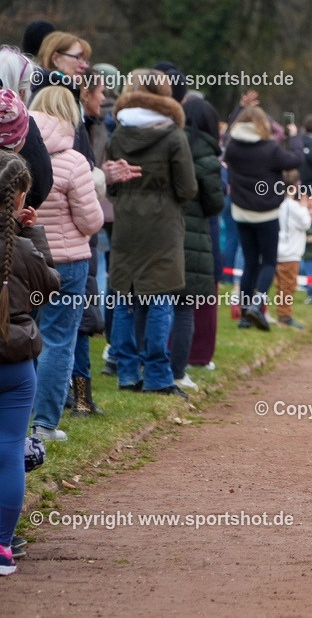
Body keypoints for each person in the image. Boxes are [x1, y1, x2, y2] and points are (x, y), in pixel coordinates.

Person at [106, 69, 197, 397]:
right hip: (162, 225)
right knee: (160, 298)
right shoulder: (173, 135)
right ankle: (158, 374)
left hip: (127, 224)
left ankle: (127, 371)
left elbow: (111, 186)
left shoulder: (118, 133)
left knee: (125, 298)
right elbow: (187, 188)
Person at [28, 87, 104, 440]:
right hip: (68, 262)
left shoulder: (16, 152)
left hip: (25, 258)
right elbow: (91, 221)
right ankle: (45, 423)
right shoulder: (73, 161)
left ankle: (19, 416)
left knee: (23, 336)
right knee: (58, 341)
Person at [0, 151, 61, 576]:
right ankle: (3, 547)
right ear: (20, 199)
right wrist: (34, 233)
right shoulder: (22, 248)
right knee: (8, 451)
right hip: (15, 364)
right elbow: (50, 285)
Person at [223, 106, 303, 330]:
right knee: (268, 261)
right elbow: (295, 160)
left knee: (250, 262)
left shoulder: (232, 148)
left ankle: (243, 316)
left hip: (241, 212)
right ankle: (257, 304)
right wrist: (294, 138)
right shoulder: (270, 149)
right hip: (267, 213)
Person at [169, 97, 225, 391]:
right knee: (186, 305)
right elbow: (215, 204)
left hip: (165, 231)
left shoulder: (168, 146)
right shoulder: (208, 159)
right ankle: (181, 367)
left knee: (158, 303)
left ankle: (152, 362)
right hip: (197, 236)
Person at [274, 171, 311, 329]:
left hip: (276, 250)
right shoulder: (294, 206)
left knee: (279, 286)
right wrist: (305, 207)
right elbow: (306, 223)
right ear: (296, 186)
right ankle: (284, 316)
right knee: (288, 287)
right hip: (290, 253)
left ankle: (277, 313)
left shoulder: (275, 202)